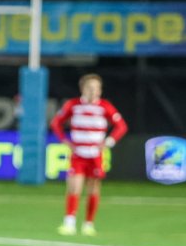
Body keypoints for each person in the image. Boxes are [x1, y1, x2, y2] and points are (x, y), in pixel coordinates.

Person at [50, 74, 128, 237]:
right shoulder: (73, 105)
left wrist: (109, 142)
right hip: (78, 154)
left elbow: (121, 126)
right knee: (74, 187)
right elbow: (56, 122)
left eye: (96, 88)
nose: (93, 91)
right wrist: (64, 140)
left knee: (93, 189)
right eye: (90, 87)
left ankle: (88, 224)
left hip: (95, 155)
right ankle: (69, 222)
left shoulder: (105, 107)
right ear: (83, 89)